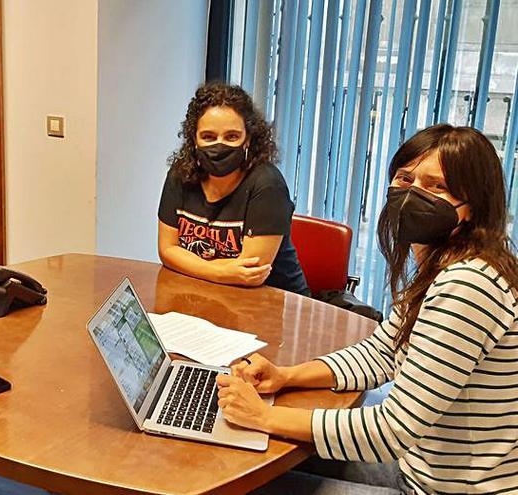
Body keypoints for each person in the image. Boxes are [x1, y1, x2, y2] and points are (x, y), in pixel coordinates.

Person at [217, 124, 518, 494]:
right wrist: (286, 376)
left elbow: (393, 430)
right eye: (405, 179)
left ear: (471, 206)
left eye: (436, 186)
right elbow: (382, 353)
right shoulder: (441, 266)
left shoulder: (468, 285)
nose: (412, 195)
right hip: (418, 467)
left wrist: (265, 416)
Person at [157, 82, 309, 295]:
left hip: (273, 303)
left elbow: (250, 274)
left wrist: (192, 263)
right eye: (208, 137)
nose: (219, 145)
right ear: (194, 139)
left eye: (232, 137)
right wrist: (220, 272)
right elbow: (167, 250)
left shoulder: (267, 185)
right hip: (206, 293)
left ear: (247, 139)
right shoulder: (180, 175)